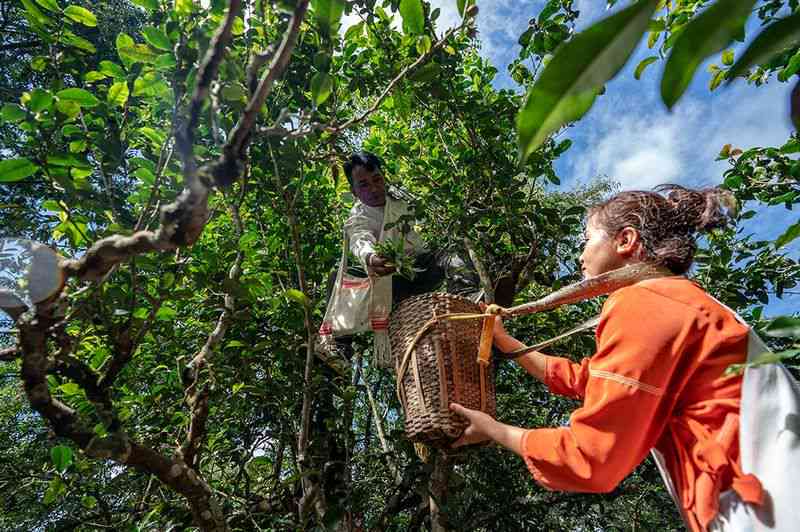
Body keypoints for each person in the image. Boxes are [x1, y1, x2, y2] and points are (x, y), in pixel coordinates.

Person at [450, 185, 768, 532]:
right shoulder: (677, 299)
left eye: (587, 240)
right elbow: (586, 381)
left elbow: (592, 458)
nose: (581, 256)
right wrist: (504, 339)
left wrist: (494, 429)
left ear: (625, 240)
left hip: (760, 508)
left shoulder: (644, 303)